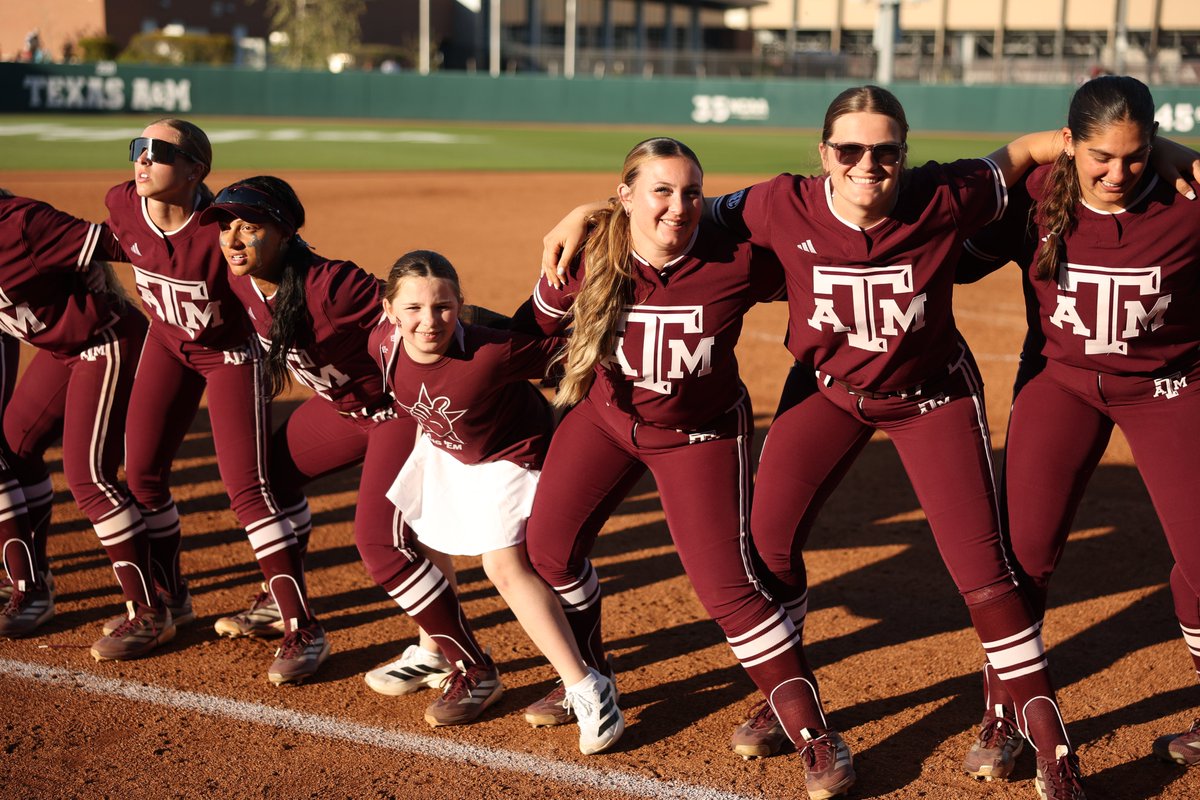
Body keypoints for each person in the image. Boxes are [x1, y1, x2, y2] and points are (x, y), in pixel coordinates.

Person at [538, 96, 1113, 799]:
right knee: (765, 546)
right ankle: (787, 704)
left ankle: (1040, 734)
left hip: (929, 396)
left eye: (886, 151)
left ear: (904, 154)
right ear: (824, 155)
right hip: (829, 389)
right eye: (849, 150)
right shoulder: (781, 203)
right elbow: (683, 210)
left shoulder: (943, 193)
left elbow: (1027, 152)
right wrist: (592, 213)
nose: (868, 165)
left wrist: (1164, 150)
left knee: (982, 572)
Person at [512, 137, 873, 795]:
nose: (679, 207)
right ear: (625, 197)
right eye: (661, 190)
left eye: (691, 193)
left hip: (698, 435)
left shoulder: (736, 257)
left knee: (729, 591)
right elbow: (526, 338)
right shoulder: (586, 254)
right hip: (603, 421)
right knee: (549, 551)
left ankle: (813, 734)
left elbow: (818, 258)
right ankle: (588, 678)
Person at [197, 177, 529, 732]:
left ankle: (473, 668)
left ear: (284, 232)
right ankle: (285, 606)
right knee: (268, 477)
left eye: (248, 227)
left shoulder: (334, 284)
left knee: (381, 545)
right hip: (342, 411)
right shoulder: (243, 277)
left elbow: (425, 313)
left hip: (397, 414)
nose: (232, 239)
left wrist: (527, 345)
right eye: (225, 226)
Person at [953, 75, 1200, 777]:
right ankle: (1006, 712)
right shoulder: (1035, 198)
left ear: (1155, 145)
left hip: (1168, 389)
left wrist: (1182, 157)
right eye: (1101, 156)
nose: (1118, 174)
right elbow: (945, 241)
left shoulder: (1185, 200)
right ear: (1069, 143)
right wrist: (1027, 151)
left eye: (1135, 155)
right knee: (1020, 557)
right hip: (1059, 386)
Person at [91, 120, 323, 686]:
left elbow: (293, 268)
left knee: (248, 491)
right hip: (166, 344)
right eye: (138, 149)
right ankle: (168, 603)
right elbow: (118, 245)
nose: (143, 160)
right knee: (141, 475)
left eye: (159, 152)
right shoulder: (122, 203)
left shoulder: (222, 227)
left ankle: (301, 626)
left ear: (196, 169)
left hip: (229, 356)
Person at [379, 249, 624, 752]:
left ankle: (586, 686)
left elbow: (573, 352)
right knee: (427, 534)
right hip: (451, 447)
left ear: (460, 305)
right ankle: (435, 650)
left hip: (513, 453)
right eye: (414, 308)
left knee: (504, 566)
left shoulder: (491, 354)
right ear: (390, 312)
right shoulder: (382, 343)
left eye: (444, 307)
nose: (430, 321)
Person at [0, 190, 147, 638]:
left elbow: (121, 242)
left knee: (89, 478)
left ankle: (149, 610)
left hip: (107, 339)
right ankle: (34, 585)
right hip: (63, 349)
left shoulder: (19, 224)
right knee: (14, 446)